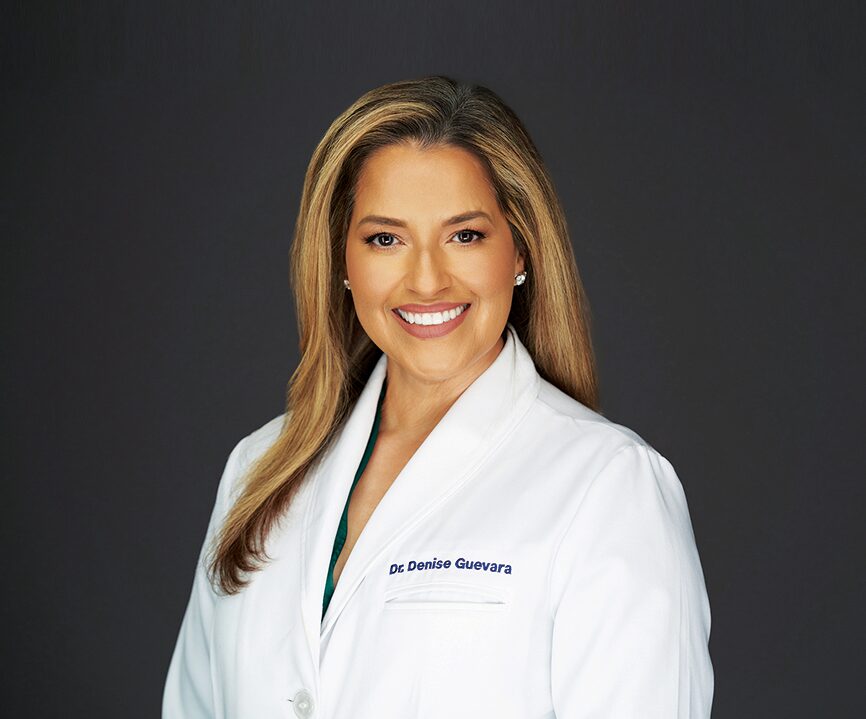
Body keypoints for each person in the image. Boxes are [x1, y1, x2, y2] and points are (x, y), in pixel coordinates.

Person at [162, 75, 714, 719]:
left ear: (520, 251)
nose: (426, 280)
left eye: (465, 235)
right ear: (342, 260)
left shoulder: (608, 487)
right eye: (385, 239)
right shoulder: (257, 471)